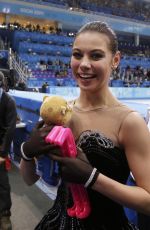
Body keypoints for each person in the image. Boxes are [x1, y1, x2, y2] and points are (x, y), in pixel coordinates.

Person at [19, 21, 150, 230]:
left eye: (96, 56)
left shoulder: (129, 121)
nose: (84, 64)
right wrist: (27, 152)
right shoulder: (60, 113)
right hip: (57, 221)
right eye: (77, 54)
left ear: (115, 60)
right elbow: (28, 179)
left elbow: (148, 201)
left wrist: (93, 178)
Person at [0, 71, 17, 230]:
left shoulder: (8, 102)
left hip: (0, 148)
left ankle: (4, 214)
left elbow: (9, 129)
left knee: (2, 183)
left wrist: (2, 153)